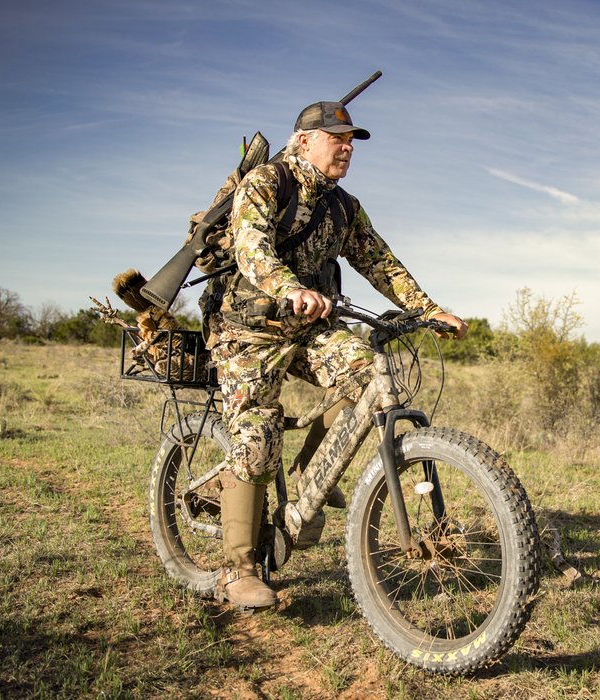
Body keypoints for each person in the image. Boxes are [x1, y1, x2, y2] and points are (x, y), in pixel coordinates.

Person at [208, 100, 468, 610]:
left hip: (310, 327)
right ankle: (238, 570)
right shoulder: (266, 183)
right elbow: (252, 248)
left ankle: (312, 475)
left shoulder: (343, 205)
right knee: (257, 438)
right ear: (304, 141)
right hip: (247, 330)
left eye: (352, 141)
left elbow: (380, 262)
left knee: (370, 374)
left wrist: (429, 309)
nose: (347, 148)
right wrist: (290, 288)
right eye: (337, 138)